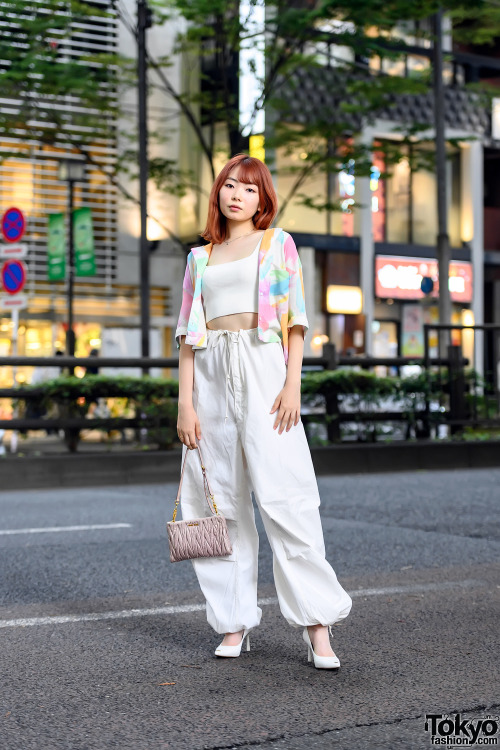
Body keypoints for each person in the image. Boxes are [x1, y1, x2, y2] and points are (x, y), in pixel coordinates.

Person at [175, 154, 352, 669]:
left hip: (264, 369)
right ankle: (233, 621)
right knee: (214, 504)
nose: (237, 195)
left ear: (262, 199)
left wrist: (292, 383)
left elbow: (296, 321)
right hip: (209, 375)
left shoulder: (278, 244)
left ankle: (317, 626)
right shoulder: (198, 259)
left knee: (287, 496)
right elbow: (188, 337)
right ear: (219, 193)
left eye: (249, 189)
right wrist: (186, 403)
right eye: (230, 185)